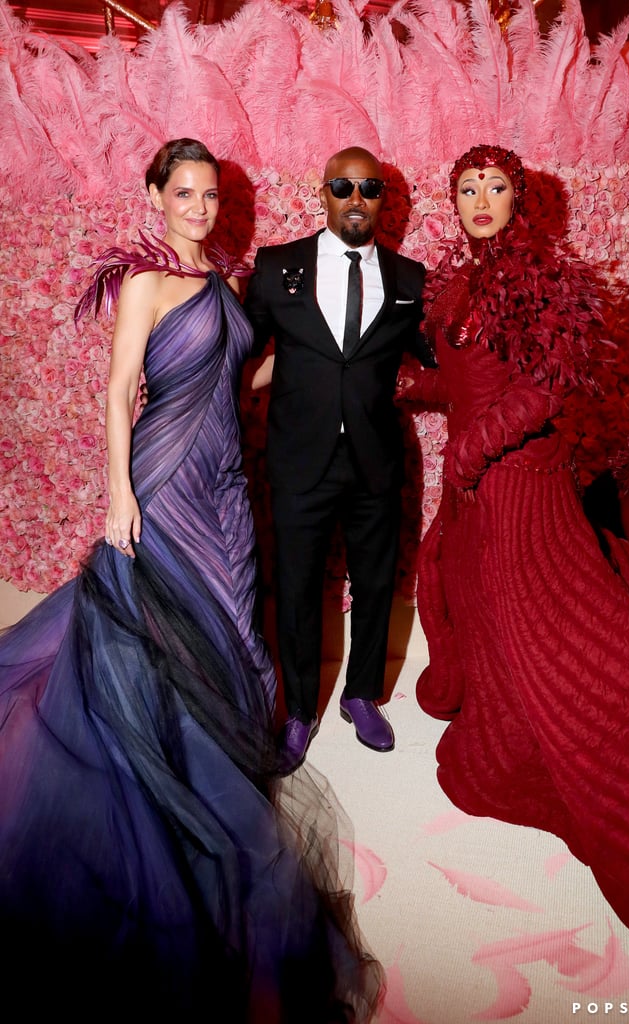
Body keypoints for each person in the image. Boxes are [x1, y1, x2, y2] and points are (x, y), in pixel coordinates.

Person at [0, 138, 382, 1020]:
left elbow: (233, 374)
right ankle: (172, 767)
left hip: (223, 478)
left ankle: (222, 738)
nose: (201, 208)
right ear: (155, 196)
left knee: (229, 618)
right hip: (166, 476)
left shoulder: (225, 283)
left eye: (211, 195)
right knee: (162, 620)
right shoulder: (145, 283)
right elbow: (120, 388)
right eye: (185, 193)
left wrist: (324, 362)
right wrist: (117, 494)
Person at [414, 145, 629, 998]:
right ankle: (509, 730)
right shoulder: (464, 278)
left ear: (519, 198)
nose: (479, 199)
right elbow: (473, 379)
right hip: (478, 484)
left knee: (550, 629)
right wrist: (418, 385)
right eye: (467, 187)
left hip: (518, 486)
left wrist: (476, 443)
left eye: (495, 187)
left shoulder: (533, 274)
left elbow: (548, 385)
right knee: (487, 617)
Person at [243, 146, 436, 771]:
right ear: (322, 193)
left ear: (384, 199)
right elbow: (240, 351)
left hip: (376, 461)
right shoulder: (276, 268)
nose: (357, 200)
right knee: (296, 587)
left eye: (370, 189)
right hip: (300, 459)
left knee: (378, 583)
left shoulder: (411, 280)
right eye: (344, 187)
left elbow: (442, 359)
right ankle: (299, 709)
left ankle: (361, 694)